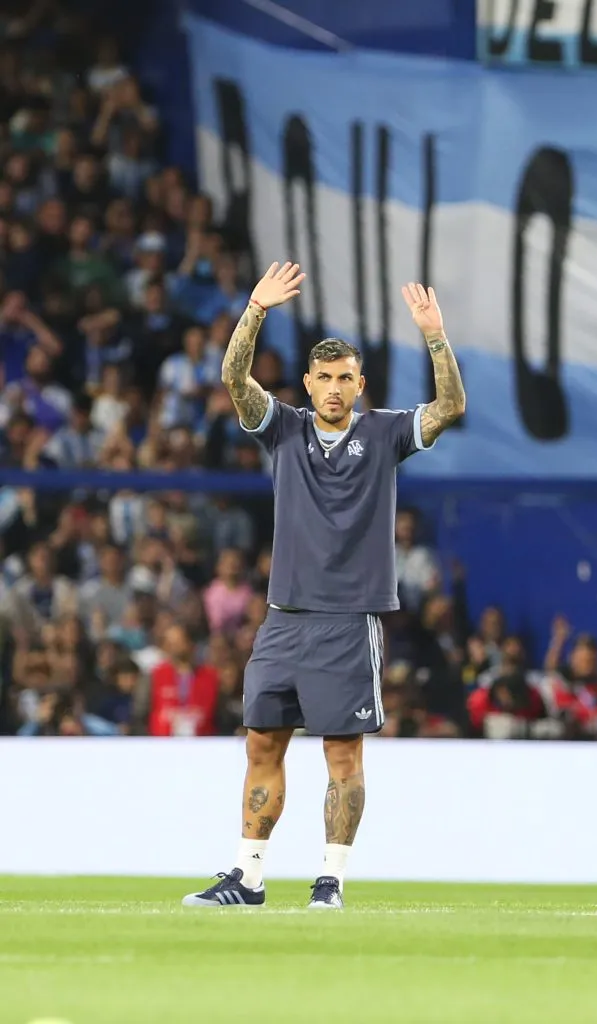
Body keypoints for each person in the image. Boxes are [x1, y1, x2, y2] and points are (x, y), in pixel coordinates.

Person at [182, 261, 465, 911]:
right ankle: (246, 878)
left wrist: (434, 336)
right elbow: (233, 377)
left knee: (342, 755)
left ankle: (329, 881)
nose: (333, 388)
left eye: (345, 378)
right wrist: (254, 308)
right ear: (306, 383)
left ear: (360, 385)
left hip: (348, 619)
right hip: (283, 619)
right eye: (323, 378)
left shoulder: (386, 432)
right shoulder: (282, 428)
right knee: (261, 743)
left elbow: (449, 406)